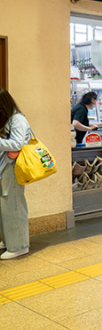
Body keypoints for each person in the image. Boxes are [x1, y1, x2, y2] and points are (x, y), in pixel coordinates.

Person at [0, 89, 32, 259]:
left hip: (13, 167)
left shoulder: (17, 119)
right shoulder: (7, 119)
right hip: (5, 167)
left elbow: (17, 143)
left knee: (13, 204)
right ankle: (9, 241)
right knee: (5, 205)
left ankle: (19, 246)